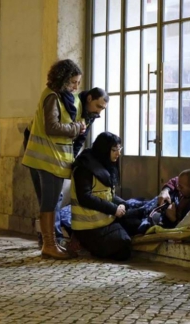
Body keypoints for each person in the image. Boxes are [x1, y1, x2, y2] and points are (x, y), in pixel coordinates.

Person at [22, 59, 86, 260]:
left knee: (50, 202)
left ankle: (52, 243)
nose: (76, 87)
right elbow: (52, 127)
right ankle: (49, 245)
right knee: (49, 203)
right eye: (73, 82)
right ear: (63, 80)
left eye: (78, 83)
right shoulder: (52, 97)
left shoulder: (64, 97)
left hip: (54, 159)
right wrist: (77, 129)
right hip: (47, 159)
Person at [70, 132, 145, 261]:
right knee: (123, 248)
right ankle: (85, 244)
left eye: (119, 149)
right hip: (89, 227)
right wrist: (114, 209)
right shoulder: (84, 168)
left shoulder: (104, 165)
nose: (118, 153)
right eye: (114, 150)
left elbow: (108, 194)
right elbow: (85, 198)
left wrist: (123, 204)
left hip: (107, 220)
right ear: (104, 150)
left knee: (137, 221)